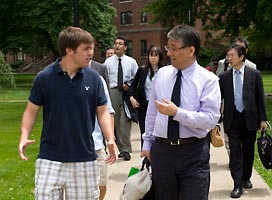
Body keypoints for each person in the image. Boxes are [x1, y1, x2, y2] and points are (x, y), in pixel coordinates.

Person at [18, 26, 118, 200]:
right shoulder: (44, 77)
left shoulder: (94, 78)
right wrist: (24, 135)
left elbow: (102, 111)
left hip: (85, 159)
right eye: (86, 49)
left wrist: (110, 138)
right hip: (50, 158)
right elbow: (31, 111)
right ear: (69, 50)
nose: (91, 53)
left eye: (92, 48)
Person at [140, 24, 221, 200]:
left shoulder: (208, 80)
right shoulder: (162, 75)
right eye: (168, 47)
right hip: (162, 152)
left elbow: (210, 120)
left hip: (193, 153)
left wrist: (177, 113)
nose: (168, 53)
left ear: (190, 50)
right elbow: (152, 112)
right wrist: (147, 144)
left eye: (174, 48)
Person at [219, 44, 267, 198]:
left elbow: (260, 99)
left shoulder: (254, 74)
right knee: (235, 153)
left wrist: (263, 119)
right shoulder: (224, 77)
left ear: (241, 57)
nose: (229, 58)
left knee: (248, 151)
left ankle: (246, 177)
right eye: (228, 55)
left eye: (232, 55)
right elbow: (217, 99)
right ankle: (237, 184)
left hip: (250, 118)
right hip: (232, 119)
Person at [216, 36, 257, 158]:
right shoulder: (223, 64)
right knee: (231, 140)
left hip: (246, 111)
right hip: (229, 109)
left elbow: (256, 93)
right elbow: (218, 85)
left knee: (247, 144)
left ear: (244, 53)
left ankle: (241, 164)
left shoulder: (252, 67)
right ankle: (234, 160)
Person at [104, 36, 138, 161]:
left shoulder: (131, 62)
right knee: (116, 121)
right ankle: (121, 148)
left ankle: (127, 149)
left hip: (126, 93)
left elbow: (136, 78)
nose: (117, 46)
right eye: (115, 44)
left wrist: (128, 86)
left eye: (120, 44)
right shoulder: (108, 62)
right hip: (113, 92)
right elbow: (105, 78)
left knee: (126, 120)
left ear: (125, 47)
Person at [128, 45, 164, 148]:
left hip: (160, 106)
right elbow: (133, 86)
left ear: (159, 57)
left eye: (155, 55)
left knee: (159, 132)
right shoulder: (142, 70)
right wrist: (131, 98)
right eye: (151, 55)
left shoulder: (165, 71)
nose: (153, 58)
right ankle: (145, 156)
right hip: (144, 106)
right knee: (145, 132)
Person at [93, 76, 115, 200]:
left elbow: (108, 112)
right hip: (73, 148)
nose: (89, 54)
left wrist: (111, 139)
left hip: (96, 144)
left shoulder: (97, 79)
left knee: (102, 184)